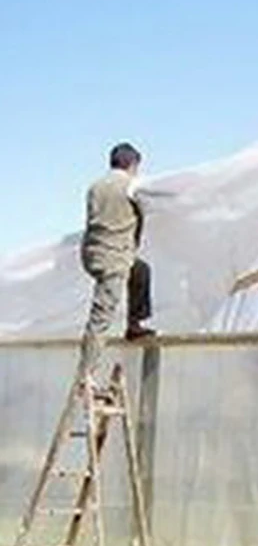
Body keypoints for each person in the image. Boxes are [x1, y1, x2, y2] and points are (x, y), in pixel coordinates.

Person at [79, 143, 153, 378]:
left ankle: (134, 324)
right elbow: (143, 211)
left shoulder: (95, 187)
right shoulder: (131, 186)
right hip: (112, 257)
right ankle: (86, 373)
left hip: (93, 253)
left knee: (140, 270)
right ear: (132, 164)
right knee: (101, 316)